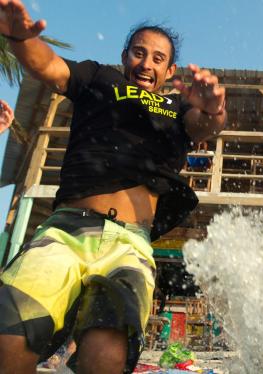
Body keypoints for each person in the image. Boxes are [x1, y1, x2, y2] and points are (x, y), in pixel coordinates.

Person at [0, 0, 226, 373]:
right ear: (125, 56)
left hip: (129, 244)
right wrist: (20, 38)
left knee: (107, 353)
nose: (146, 64)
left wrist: (215, 109)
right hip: (66, 230)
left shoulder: (177, 109)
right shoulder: (99, 78)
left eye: (158, 59)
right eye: (139, 53)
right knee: (11, 335)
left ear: (169, 71)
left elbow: (206, 128)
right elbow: (49, 67)